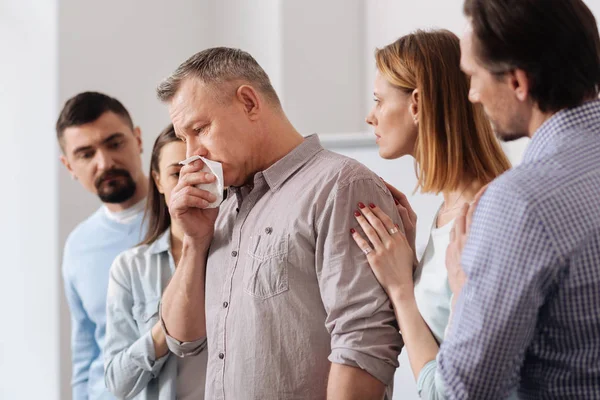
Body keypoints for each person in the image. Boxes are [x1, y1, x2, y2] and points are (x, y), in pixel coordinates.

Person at [155, 47, 403, 400]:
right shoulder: (220, 207)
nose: (192, 153)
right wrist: (195, 242)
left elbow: (363, 342)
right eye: (184, 139)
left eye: (200, 129)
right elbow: (184, 341)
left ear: (249, 103)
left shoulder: (340, 187)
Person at [437, 0, 600, 398]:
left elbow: (467, 390)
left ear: (517, 82)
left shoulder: (520, 203)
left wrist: (463, 289)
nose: (472, 95)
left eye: (474, 77)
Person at [351, 29, 510, 399]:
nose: (369, 116)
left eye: (378, 100)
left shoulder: (482, 219)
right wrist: (413, 265)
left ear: (417, 104)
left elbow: (444, 392)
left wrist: (400, 289)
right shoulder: (447, 211)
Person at [104, 125, 207, 400]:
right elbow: (117, 382)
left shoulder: (238, 255)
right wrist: (171, 326)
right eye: (176, 173)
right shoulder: (129, 268)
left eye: (198, 171)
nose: (189, 184)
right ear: (158, 181)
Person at [58, 91, 148, 399]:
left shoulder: (190, 218)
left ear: (137, 140)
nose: (105, 162)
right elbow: (85, 348)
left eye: (115, 143)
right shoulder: (78, 246)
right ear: (69, 166)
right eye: (85, 154)